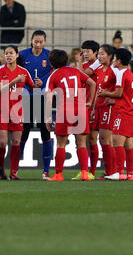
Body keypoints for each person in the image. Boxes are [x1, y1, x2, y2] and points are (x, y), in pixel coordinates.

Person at [45, 49, 96, 182]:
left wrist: (47, 117)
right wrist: (90, 101)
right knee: (82, 143)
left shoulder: (54, 75)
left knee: (61, 144)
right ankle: (84, 173)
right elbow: (92, 83)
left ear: (51, 63)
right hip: (80, 109)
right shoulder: (76, 71)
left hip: (64, 111)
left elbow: (49, 97)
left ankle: (59, 174)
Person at [0, 45, 42, 180]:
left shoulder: (24, 72)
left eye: (11, 53)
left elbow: (33, 89)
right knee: (3, 142)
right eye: (6, 53)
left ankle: (14, 172)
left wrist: (38, 85)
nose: (8, 56)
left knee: (16, 141)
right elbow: (0, 90)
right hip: (2, 110)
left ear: (17, 55)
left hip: (18, 111)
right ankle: (0, 168)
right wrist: (14, 81)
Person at [100, 49, 133, 181]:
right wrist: (113, 99)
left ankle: (120, 172)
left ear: (119, 61)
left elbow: (118, 93)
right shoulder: (130, 73)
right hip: (132, 113)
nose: (113, 61)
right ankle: (130, 174)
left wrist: (105, 93)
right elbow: (124, 95)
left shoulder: (121, 73)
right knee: (129, 145)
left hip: (123, 112)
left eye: (115, 58)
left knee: (117, 143)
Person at [19, 30, 52, 180]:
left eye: (41, 42)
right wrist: (29, 84)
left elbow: (55, 74)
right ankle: (15, 168)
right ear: (31, 41)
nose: (38, 44)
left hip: (42, 98)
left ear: (45, 42)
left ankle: (46, 171)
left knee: (45, 132)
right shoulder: (23, 55)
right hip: (26, 97)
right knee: (23, 132)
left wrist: (43, 83)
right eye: (35, 41)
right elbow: (17, 73)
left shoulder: (49, 56)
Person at [81, 44, 117, 180]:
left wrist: (113, 99)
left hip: (109, 108)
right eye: (100, 54)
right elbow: (98, 91)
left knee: (106, 139)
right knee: (103, 140)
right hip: (100, 107)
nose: (100, 57)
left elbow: (122, 89)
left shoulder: (114, 71)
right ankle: (111, 172)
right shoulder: (100, 70)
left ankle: (112, 172)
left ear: (110, 56)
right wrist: (94, 108)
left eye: (103, 54)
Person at [74, 40, 100, 180]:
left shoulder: (96, 63)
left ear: (95, 52)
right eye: (83, 51)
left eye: (88, 51)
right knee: (80, 139)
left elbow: (82, 74)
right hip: (83, 105)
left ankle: (92, 171)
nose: (85, 54)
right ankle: (84, 170)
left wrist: (78, 62)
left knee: (92, 139)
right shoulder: (84, 65)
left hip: (92, 105)